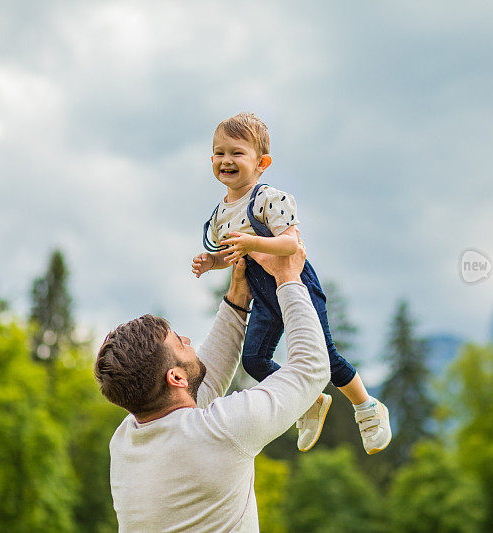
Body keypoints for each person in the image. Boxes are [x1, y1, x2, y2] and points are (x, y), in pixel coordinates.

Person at [191, 112, 391, 454]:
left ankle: (367, 407)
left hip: (296, 282)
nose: (226, 160)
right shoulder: (219, 215)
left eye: (237, 153)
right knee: (254, 360)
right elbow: (232, 251)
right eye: (219, 152)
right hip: (263, 294)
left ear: (261, 163)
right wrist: (213, 262)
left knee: (324, 358)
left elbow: (290, 245)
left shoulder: (270, 199)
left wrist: (254, 243)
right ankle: (308, 402)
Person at [96, 244, 330, 531]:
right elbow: (311, 368)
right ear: (175, 378)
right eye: (180, 343)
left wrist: (237, 299)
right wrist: (288, 278)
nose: (188, 340)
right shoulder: (222, 431)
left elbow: (198, 388)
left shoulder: (125, 441)